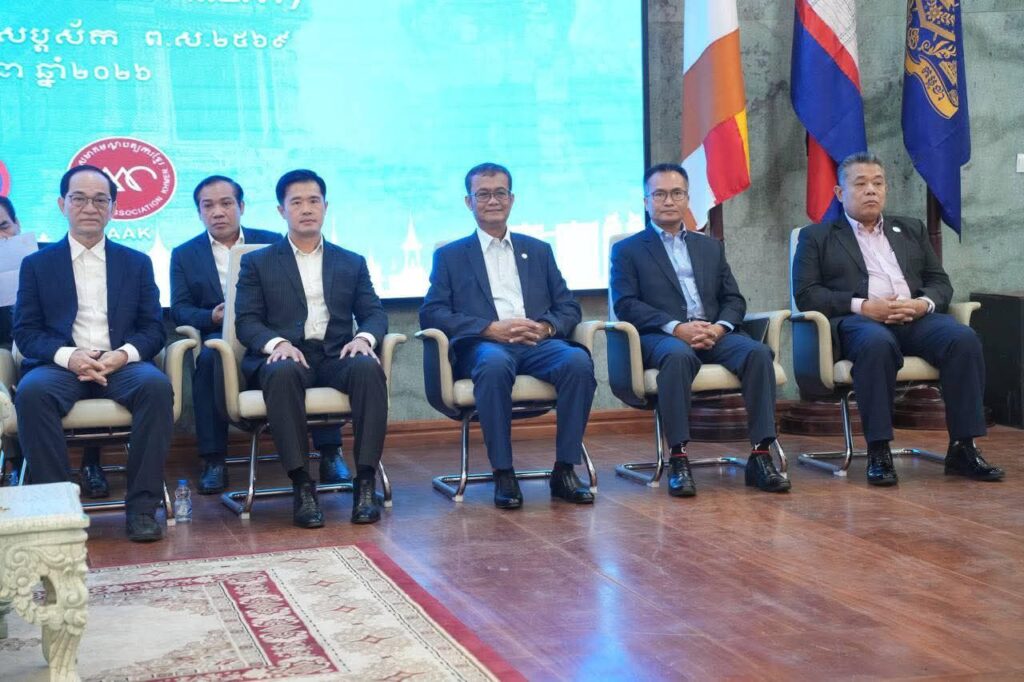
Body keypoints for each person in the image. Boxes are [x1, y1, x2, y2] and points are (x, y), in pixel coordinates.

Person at [792, 151, 1003, 486]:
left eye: (878, 183)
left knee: (962, 339)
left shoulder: (910, 229)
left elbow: (940, 283)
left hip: (913, 318)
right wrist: (863, 306)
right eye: (860, 184)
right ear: (840, 193)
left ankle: (963, 447)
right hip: (859, 323)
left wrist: (922, 304)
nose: (871, 190)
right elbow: (807, 294)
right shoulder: (817, 237)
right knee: (877, 343)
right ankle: (879, 450)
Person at [420, 162, 597, 509]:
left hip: (537, 343)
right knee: (494, 365)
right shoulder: (451, 256)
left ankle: (564, 470)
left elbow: (568, 307)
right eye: (483, 194)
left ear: (512, 199)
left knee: (577, 361)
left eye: (500, 193)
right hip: (486, 345)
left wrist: (545, 327)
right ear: (469, 202)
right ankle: (503, 472)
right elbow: (433, 312)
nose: (493, 201)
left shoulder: (539, 250)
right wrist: (488, 329)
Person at [609, 163, 790, 497]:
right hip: (663, 337)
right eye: (659, 194)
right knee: (678, 357)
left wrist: (719, 328)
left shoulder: (709, 247)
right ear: (646, 201)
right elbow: (626, 304)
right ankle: (678, 458)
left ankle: (761, 455)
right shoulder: (628, 250)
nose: (668, 201)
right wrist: (677, 327)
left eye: (676, 193)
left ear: (687, 199)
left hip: (713, 333)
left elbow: (733, 299)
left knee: (757, 353)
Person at [14, 165, 172, 541]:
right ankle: (58, 515)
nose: (90, 207)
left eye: (100, 200)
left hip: (120, 364)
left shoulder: (136, 263)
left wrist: (123, 355)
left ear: (113, 208)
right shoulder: (36, 264)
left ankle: (142, 509)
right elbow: (26, 331)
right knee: (32, 393)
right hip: (61, 365)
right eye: (79, 198)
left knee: (156, 387)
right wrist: (70, 356)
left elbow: (153, 329)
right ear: (62, 204)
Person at [170, 175, 348, 495]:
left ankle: (330, 451)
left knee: (310, 351)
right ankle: (213, 459)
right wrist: (211, 316)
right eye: (208, 206)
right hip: (221, 339)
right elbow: (180, 309)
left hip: (273, 334)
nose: (218, 212)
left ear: (241, 206)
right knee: (209, 360)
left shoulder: (270, 242)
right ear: (199, 212)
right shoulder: (184, 254)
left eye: (226, 203)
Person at [234, 169, 389, 526]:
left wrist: (363, 339)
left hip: (336, 355)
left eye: (314, 201)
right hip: (289, 355)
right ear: (281, 210)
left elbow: (374, 313)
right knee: (281, 371)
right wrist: (278, 343)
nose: (306, 209)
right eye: (296, 202)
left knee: (368, 366)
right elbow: (247, 321)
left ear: (325, 207)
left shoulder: (351, 261)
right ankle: (302, 485)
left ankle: (366, 482)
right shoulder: (257, 262)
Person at [0, 196, 107, 491]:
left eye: (4, 226)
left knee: (93, 361)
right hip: (13, 354)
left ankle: (91, 463)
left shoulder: (49, 257)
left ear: (17, 224)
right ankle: (21, 466)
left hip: (62, 354)